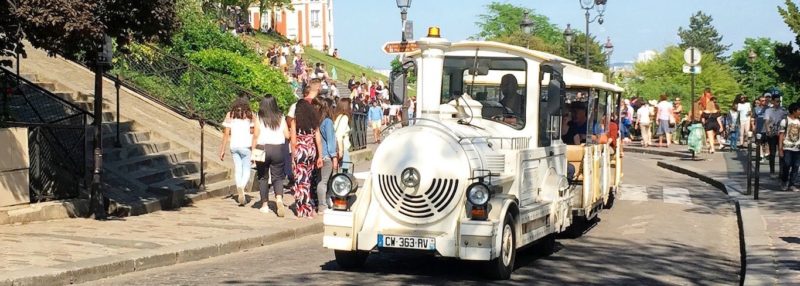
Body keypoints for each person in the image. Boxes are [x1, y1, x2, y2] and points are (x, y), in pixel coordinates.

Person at [291, 79, 324, 218]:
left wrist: (293, 156)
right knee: (308, 179)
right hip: (311, 149)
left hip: (300, 148)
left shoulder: (295, 121)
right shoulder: (313, 119)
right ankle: (308, 209)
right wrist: (320, 156)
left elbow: (293, 140)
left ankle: (301, 209)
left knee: (300, 180)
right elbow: (318, 138)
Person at [254, 95, 290, 216]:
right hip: (278, 149)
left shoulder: (259, 117)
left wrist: (253, 150)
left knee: (263, 177)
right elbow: (287, 135)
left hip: (262, 148)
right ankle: (279, 198)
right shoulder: (280, 117)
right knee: (278, 176)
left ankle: (264, 204)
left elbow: (255, 134)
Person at [219, 96, 256, 206]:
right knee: (246, 170)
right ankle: (242, 187)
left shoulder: (230, 114)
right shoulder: (250, 115)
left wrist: (222, 150)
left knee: (238, 169)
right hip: (246, 145)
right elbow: (254, 132)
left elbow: (226, 134)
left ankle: (239, 186)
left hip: (234, 145)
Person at [316, 98, 338, 212]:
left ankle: (321, 202)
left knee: (321, 180)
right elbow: (330, 140)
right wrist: (334, 157)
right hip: (327, 155)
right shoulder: (328, 122)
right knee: (324, 181)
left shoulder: (320, 121)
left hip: (320, 154)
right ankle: (322, 205)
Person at [779, 103, 800, 191]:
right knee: (787, 164)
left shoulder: (799, 121)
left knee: (796, 166)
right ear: (794, 111)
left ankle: (792, 184)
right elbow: (781, 135)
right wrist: (780, 149)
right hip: (787, 147)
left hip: (797, 147)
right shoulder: (785, 121)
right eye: (798, 110)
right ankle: (784, 181)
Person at [765, 95, 787, 175]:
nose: (778, 103)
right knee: (773, 153)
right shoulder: (768, 110)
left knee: (781, 151)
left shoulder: (783, 110)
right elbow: (766, 121)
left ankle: (781, 171)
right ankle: (772, 171)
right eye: (777, 101)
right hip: (772, 133)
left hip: (781, 133)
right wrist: (768, 130)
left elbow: (787, 120)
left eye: (779, 101)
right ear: (773, 102)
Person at [334, 98, 353, 173]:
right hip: (342, 147)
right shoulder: (344, 118)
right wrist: (341, 151)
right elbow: (339, 135)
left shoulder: (337, 116)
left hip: (338, 147)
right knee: (345, 172)